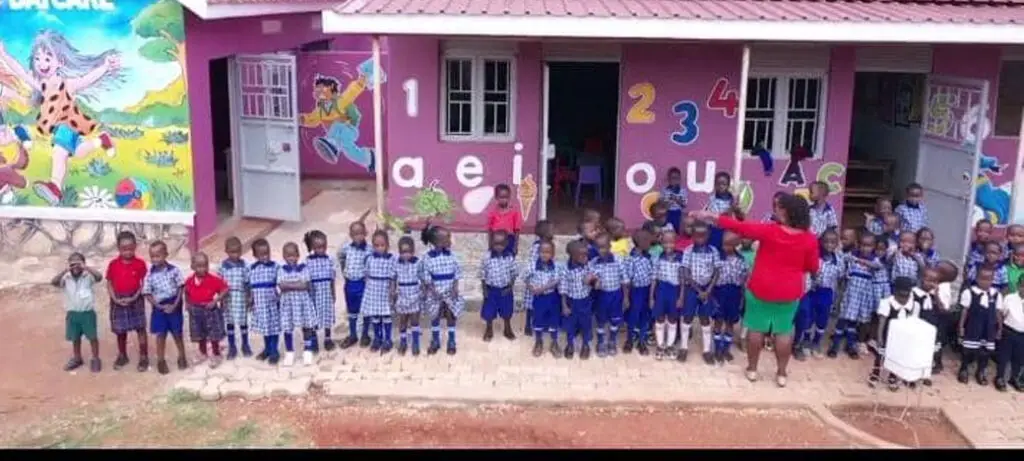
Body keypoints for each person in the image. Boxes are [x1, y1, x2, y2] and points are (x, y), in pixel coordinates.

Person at [690, 193, 820, 387]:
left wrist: (709, 216)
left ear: (786, 212)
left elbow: (739, 227)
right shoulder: (809, 239)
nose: (776, 209)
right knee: (784, 332)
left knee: (756, 329)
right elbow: (813, 267)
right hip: (789, 292)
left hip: (761, 288)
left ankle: (752, 369)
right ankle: (782, 373)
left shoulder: (770, 230)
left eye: (779, 207)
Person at [830, 233, 883, 360]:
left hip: (862, 298)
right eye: (863, 245)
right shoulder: (852, 257)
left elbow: (877, 266)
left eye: (869, 246)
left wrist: (861, 260)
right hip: (850, 296)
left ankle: (850, 346)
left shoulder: (874, 260)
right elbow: (842, 257)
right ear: (858, 245)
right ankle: (835, 346)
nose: (865, 248)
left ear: (874, 247)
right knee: (842, 321)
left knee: (853, 324)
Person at [52, 252, 103, 373]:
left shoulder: (88, 276)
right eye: (72, 263)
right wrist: (65, 270)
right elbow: (54, 282)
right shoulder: (66, 277)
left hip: (87, 312)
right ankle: (77, 357)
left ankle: (95, 358)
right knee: (75, 337)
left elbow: (99, 277)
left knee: (92, 336)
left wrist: (86, 267)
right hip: (73, 313)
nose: (75, 266)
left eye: (78, 263)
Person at [106, 231, 149, 372]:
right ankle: (122, 354)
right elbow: (110, 282)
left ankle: (144, 357)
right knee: (120, 330)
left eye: (130, 248)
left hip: (135, 298)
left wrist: (135, 296)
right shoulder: (113, 265)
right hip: (118, 299)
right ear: (118, 248)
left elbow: (144, 283)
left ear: (135, 246)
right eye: (124, 249)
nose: (128, 252)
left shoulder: (140, 264)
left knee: (140, 328)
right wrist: (114, 298)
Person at [142, 240, 187, 375]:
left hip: (174, 304)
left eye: (158, 256)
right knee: (160, 335)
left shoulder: (174, 271)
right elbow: (147, 293)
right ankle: (161, 361)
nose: (155, 259)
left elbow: (180, 287)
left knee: (177, 333)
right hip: (159, 307)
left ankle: (182, 357)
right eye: (152, 256)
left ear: (166, 254)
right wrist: (158, 306)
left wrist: (175, 305)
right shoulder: (149, 275)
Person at [868, 276, 920, 392]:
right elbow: (882, 321)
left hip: (902, 335)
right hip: (888, 333)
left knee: (897, 357)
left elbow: (912, 322)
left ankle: (893, 376)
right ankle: (875, 373)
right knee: (880, 355)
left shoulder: (914, 305)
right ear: (895, 291)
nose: (903, 299)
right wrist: (880, 337)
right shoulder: (887, 302)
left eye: (906, 295)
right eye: (901, 295)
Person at [681, 223, 721, 364]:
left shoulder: (713, 251)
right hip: (693, 288)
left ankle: (707, 350)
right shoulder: (688, 251)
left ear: (708, 236)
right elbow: (685, 272)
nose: (700, 238)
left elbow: (717, 272)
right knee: (687, 317)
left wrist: (708, 290)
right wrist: (699, 290)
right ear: (692, 236)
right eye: (697, 235)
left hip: (707, 289)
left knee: (705, 319)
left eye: (703, 235)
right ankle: (684, 348)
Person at [421, 226, 463, 355]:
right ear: (439, 242)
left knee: (451, 315)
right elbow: (425, 275)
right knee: (435, 316)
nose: (450, 240)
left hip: (449, 291)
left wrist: (456, 286)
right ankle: (435, 340)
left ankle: (451, 340)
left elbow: (457, 272)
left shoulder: (452, 256)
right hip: (435, 292)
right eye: (448, 238)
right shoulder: (427, 258)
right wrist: (432, 289)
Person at [184, 252, 229, 369]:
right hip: (195, 310)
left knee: (213, 334)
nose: (202, 269)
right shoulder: (189, 280)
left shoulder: (213, 279)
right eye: (199, 266)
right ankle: (202, 352)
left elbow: (225, 289)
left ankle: (216, 353)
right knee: (200, 333)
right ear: (192, 267)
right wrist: (187, 304)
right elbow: (186, 292)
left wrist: (215, 301)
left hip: (210, 310)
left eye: (205, 265)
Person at [958, 265, 1002, 385]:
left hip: (988, 328)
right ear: (976, 278)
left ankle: (981, 371)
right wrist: (961, 326)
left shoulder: (996, 295)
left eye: (989, 279)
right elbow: (965, 311)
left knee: (985, 351)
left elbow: (998, 312)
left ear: (993, 280)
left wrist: (999, 329)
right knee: (968, 349)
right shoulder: (970, 292)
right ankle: (964, 369)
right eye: (982, 279)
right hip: (973, 326)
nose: (985, 282)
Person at [278, 242, 319, 366]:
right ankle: (289, 352)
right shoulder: (281, 270)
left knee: (307, 326)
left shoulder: (304, 268)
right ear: (284, 256)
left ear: (298, 255)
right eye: (288, 256)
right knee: (287, 327)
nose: (291, 258)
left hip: (303, 303)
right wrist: (297, 285)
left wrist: (289, 285)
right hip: (288, 304)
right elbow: (281, 286)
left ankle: (307, 351)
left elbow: (305, 285)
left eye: (294, 255)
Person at [338, 209, 374, 349]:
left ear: (365, 233)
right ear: (350, 235)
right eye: (355, 234)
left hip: (363, 284)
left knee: (364, 310)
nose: (358, 236)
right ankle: (352, 335)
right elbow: (340, 257)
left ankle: (365, 334)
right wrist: (344, 271)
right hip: (350, 284)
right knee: (352, 311)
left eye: (360, 233)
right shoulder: (346, 248)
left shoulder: (369, 250)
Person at [712, 231, 748, 363]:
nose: (724, 247)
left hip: (734, 293)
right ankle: (716, 348)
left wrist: (742, 299)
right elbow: (713, 278)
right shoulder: (718, 259)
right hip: (720, 292)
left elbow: (743, 280)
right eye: (723, 244)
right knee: (718, 320)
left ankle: (726, 349)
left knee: (730, 323)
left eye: (728, 245)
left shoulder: (741, 260)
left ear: (736, 245)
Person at [807, 230, 843, 357]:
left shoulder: (838, 259)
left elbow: (840, 276)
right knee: (809, 315)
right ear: (821, 242)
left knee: (822, 317)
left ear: (837, 244)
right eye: (826, 241)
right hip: (812, 290)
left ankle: (816, 342)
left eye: (833, 242)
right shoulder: (816, 256)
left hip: (827, 292)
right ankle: (806, 340)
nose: (829, 245)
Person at [523, 240, 561, 357]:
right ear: (538, 252)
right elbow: (525, 277)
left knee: (553, 319)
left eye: (548, 252)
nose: (545, 254)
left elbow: (556, 281)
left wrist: (542, 288)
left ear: (553, 254)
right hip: (539, 299)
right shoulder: (532, 265)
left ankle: (554, 342)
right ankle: (538, 341)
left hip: (552, 297)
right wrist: (531, 288)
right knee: (538, 319)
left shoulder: (556, 266)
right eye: (542, 252)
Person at [360, 230, 397, 354]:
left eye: (382, 245)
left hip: (385, 291)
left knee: (386, 316)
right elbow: (366, 275)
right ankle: (377, 338)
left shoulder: (392, 259)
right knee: (375, 316)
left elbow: (393, 277)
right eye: (376, 245)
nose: (380, 248)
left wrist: (392, 290)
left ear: (387, 245)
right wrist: (368, 290)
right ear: (373, 245)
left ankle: (388, 339)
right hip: (373, 291)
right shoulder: (369, 259)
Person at [560, 240, 597, 360]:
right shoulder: (566, 270)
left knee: (586, 324)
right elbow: (563, 288)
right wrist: (564, 306)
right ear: (573, 256)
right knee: (570, 325)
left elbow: (595, 281)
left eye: (586, 255)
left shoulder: (588, 266)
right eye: (582, 255)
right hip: (571, 302)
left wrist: (592, 280)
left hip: (585, 301)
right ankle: (570, 345)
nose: (586, 257)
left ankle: (585, 345)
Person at [592, 233, 628, 357]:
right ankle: (601, 342)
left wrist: (626, 297)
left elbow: (624, 280)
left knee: (615, 319)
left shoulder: (618, 260)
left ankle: (612, 340)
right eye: (598, 248)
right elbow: (592, 279)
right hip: (602, 296)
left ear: (609, 246)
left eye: (604, 247)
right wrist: (595, 283)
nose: (601, 250)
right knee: (601, 320)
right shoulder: (594, 262)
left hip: (616, 295)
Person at [480, 230, 518, 341]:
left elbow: (514, 273)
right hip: (491, 290)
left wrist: (510, 286)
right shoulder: (487, 257)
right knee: (489, 311)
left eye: (501, 244)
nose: (498, 247)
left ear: (506, 244)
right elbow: (482, 274)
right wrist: (484, 290)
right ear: (491, 243)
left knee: (507, 311)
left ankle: (507, 328)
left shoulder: (509, 257)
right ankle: (489, 329)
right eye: (496, 244)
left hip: (505, 290)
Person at [652, 229, 684, 361]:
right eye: (665, 243)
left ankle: (670, 345)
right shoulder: (658, 257)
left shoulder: (681, 258)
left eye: (671, 242)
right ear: (661, 242)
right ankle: (660, 345)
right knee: (659, 318)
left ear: (675, 242)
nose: (668, 245)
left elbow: (683, 279)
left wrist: (681, 297)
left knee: (672, 318)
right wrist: (651, 297)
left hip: (674, 291)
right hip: (661, 290)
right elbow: (654, 278)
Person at [218, 237, 252, 360]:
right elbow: (220, 284)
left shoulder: (245, 265)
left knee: (243, 322)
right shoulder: (222, 266)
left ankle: (245, 344)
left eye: (238, 252)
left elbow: (248, 282)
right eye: (232, 252)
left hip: (241, 296)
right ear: (226, 251)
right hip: (228, 297)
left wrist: (249, 297)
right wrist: (221, 300)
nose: (235, 255)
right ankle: (232, 346)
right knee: (230, 322)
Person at [249, 239, 281, 365]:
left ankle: (274, 351)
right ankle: (267, 348)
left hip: (272, 304)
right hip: (259, 305)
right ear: (255, 256)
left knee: (273, 328)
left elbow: (281, 282)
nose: (265, 256)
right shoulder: (252, 269)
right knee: (265, 327)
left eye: (267, 253)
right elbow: (251, 286)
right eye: (262, 254)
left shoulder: (275, 267)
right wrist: (251, 299)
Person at [915, 266, 949, 385]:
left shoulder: (934, 296)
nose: (931, 284)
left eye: (935, 282)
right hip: (917, 328)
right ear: (921, 279)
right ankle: (913, 374)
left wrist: (937, 295)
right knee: (916, 351)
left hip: (931, 329)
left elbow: (943, 310)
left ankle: (925, 374)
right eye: (929, 280)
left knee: (928, 353)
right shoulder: (915, 293)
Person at [304, 230, 336, 353]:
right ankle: (314, 339)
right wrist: (308, 295)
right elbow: (307, 280)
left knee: (327, 316)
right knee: (314, 317)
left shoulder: (329, 260)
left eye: (324, 246)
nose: (321, 250)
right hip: (314, 294)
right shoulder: (308, 262)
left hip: (326, 293)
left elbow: (332, 278)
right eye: (318, 247)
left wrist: (333, 293)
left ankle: (328, 338)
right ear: (312, 247)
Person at [624, 229, 655, 356]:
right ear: (640, 242)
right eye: (647, 241)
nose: (650, 243)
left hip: (647, 290)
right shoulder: (630, 259)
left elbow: (653, 276)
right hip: (635, 291)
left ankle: (642, 341)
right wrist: (626, 297)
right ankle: (629, 339)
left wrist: (652, 296)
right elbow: (627, 280)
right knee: (633, 315)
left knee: (645, 315)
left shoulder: (650, 258)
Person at [523, 220, 555, 335]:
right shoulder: (537, 246)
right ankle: (528, 324)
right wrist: (531, 280)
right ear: (544, 232)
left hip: (545, 277)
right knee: (531, 304)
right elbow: (532, 262)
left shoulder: (550, 245)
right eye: (551, 230)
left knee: (543, 303)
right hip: (535, 277)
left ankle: (542, 322)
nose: (553, 232)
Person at [394, 236, 423, 356]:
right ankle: (403, 342)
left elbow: (422, 277)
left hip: (415, 295)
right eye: (403, 252)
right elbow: (393, 278)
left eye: (408, 252)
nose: (406, 255)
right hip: (402, 296)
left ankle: (415, 343)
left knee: (415, 320)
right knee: (403, 321)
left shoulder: (418, 263)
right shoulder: (396, 264)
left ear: (413, 251)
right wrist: (392, 292)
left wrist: (423, 292)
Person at [996, 276, 1024, 392]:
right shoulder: (1010, 298)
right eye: (1023, 285)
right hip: (1009, 330)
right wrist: (1000, 329)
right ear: (1019, 286)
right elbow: (1001, 314)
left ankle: (1014, 378)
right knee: (1004, 356)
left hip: (1022, 334)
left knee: (1019, 358)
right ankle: (1000, 377)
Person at [487, 184, 523, 256]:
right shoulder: (492, 212)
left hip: (509, 239)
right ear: (496, 197)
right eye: (501, 197)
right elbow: (490, 230)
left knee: (508, 259)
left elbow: (517, 230)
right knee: (495, 259)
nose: (504, 200)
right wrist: (490, 245)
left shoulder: (514, 212)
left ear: (509, 197)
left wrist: (515, 246)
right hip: (496, 240)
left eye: (506, 197)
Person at [706, 172, 735, 250]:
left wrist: (736, 208)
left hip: (729, 232)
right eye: (718, 184)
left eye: (723, 184)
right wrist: (731, 208)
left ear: (728, 185)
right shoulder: (712, 199)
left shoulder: (733, 199)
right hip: (715, 231)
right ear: (715, 185)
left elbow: (740, 217)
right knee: (714, 251)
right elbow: (718, 218)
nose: (721, 186)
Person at [661, 167, 687, 233]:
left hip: (677, 213)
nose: (674, 180)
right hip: (667, 212)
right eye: (672, 178)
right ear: (668, 179)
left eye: (676, 178)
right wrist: (667, 204)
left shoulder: (683, 191)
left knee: (677, 228)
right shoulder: (664, 190)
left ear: (679, 179)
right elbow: (662, 203)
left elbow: (684, 205)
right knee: (667, 228)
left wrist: (676, 199)